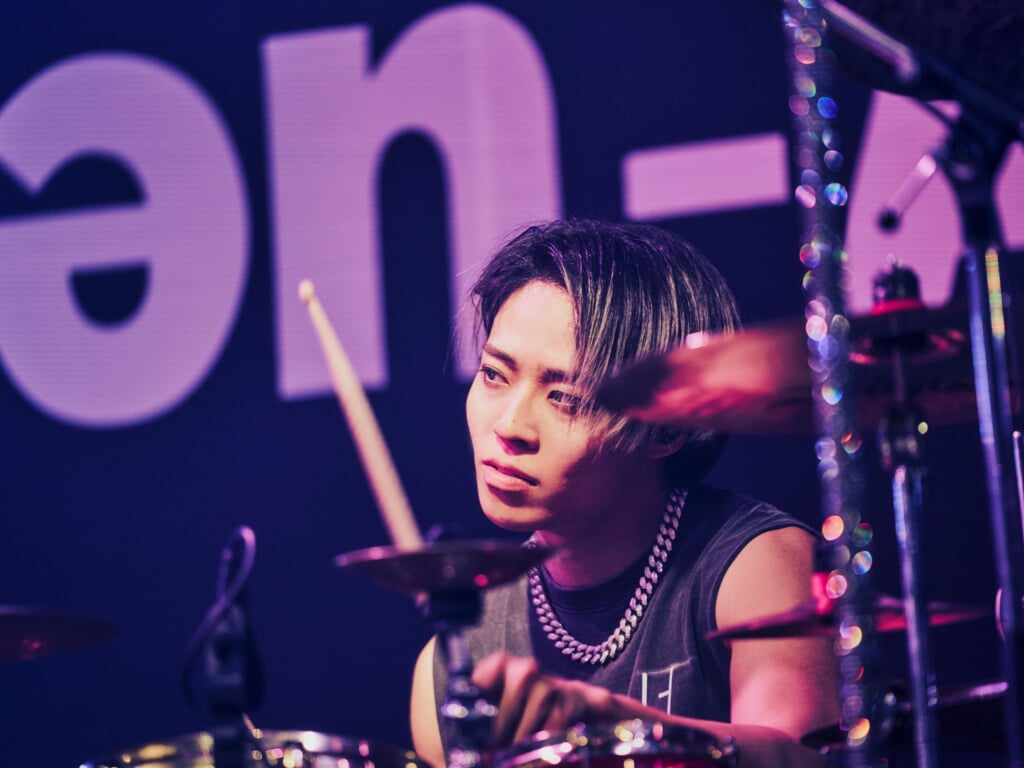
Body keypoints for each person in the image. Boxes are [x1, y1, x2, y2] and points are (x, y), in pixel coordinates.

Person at [409, 218, 839, 768]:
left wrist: (608, 729)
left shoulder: (756, 565)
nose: (510, 425)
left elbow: (804, 758)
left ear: (667, 428)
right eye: (495, 375)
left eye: (564, 398)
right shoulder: (453, 662)